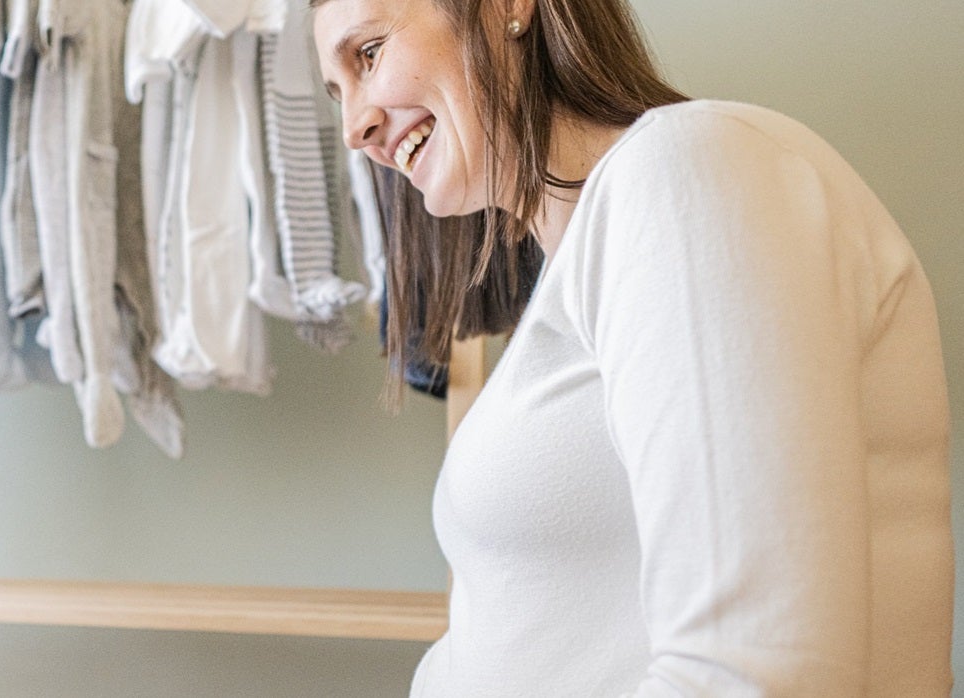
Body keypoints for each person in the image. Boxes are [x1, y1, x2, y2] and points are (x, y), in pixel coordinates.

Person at [310, 0, 952, 695]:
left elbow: (753, 674)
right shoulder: (586, 256)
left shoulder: (686, 169)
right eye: (338, 92)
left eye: (368, 54)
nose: (354, 128)